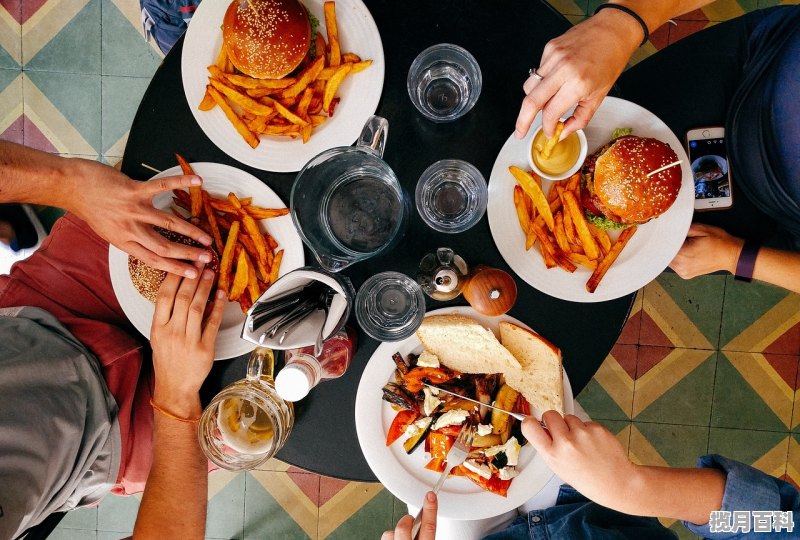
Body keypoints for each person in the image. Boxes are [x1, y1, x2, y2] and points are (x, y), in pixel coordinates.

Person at [0, 141, 219, 538]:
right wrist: (176, 398)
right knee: (300, 371)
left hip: (38, 311)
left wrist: (67, 183)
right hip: (115, 444)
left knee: (182, 171)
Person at [514, 1, 800, 295]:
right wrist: (620, 25)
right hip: (756, 56)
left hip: (766, 209)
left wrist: (736, 257)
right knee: (620, 97)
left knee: (661, 249)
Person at [384, 411, 800, 540]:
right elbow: (778, 520)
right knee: (541, 408)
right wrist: (631, 487)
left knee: (424, 465)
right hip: (598, 508)